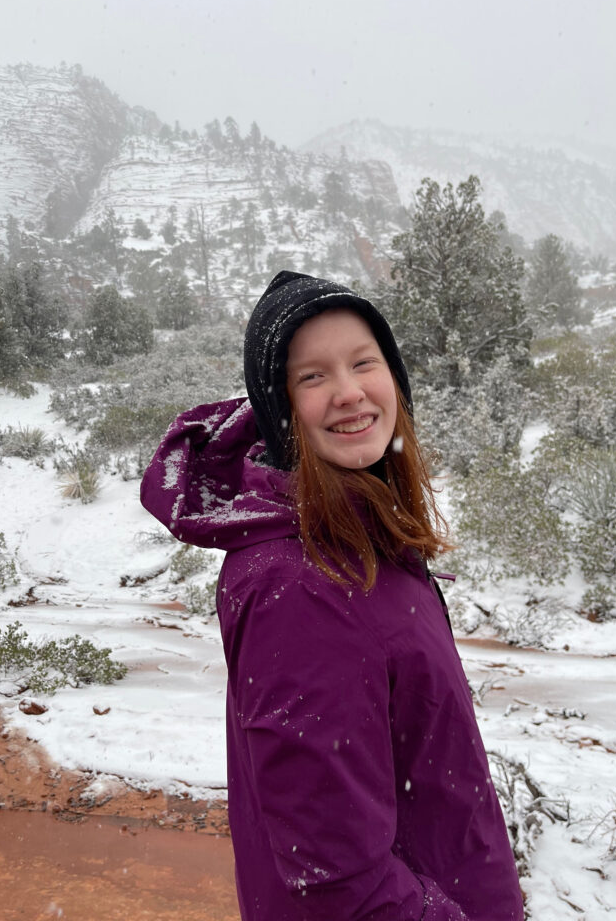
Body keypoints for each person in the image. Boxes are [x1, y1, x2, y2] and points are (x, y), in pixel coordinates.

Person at [140, 271, 524, 921]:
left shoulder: (359, 535)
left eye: (362, 362)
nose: (349, 393)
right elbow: (339, 883)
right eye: (312, 376)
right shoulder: (301, 584)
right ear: (279, 404)